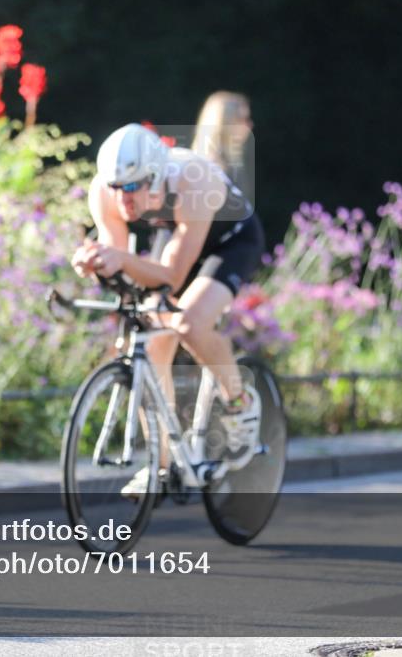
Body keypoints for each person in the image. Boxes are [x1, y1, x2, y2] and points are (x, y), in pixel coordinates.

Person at [71, 123, 265, 496]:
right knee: (150, 336)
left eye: (132, 187)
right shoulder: (106, 191)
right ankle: (160, 466)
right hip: (178, 233)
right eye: (116, 187)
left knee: (189, 323)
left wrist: (120, 260)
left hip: (231, 240)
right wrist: (95, 262)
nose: (123, 199)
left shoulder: (194, 184)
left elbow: (172, 278)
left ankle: (240, 403)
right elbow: (121, 261)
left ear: (156, 177)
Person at [191, 91, 255, 204]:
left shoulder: (230, 164)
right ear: (223, 123)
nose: (249, 125)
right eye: (243, 119)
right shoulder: (208, 167)